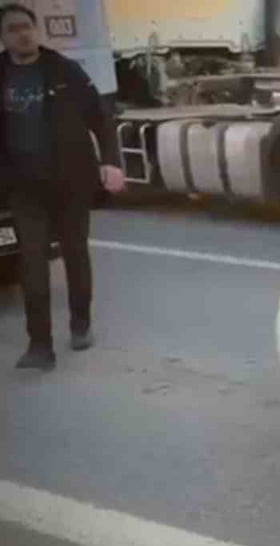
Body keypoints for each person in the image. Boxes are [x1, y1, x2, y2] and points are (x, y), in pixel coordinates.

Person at [0, 3, 125, 371]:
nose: (22, 33)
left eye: (27, 26)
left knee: (75, 253)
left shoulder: (64, 71)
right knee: (33, 265)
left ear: (36, 30)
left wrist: (111, 162)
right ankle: (39, 345)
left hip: (70, 182)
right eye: (13, 29)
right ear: (4, 36)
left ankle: (80, 323)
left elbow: (100, 118)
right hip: (23, 188)